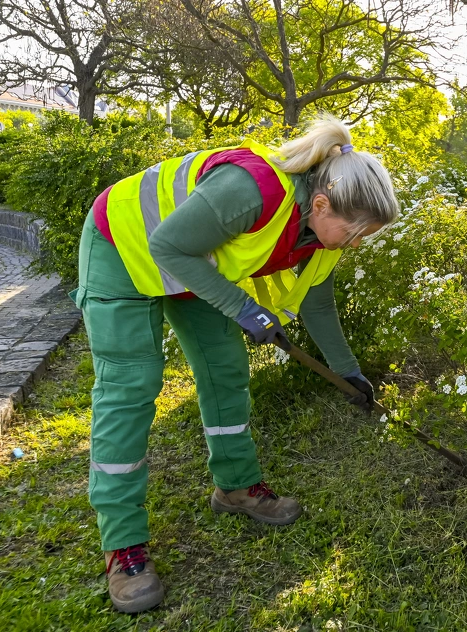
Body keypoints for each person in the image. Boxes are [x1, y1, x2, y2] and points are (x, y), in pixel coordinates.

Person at [71, 115, 398, 614]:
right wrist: (244, 308)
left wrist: (347, 370)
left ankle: (237, 487)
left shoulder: (318, 235)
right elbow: (166, 244)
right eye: (354, 232)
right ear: (321, 203)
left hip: (193, 262)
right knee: (132, 385)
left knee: (225, 368)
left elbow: (318, 304)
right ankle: (123, 547)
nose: (355, 244)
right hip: (123, 244)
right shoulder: (253, 189)